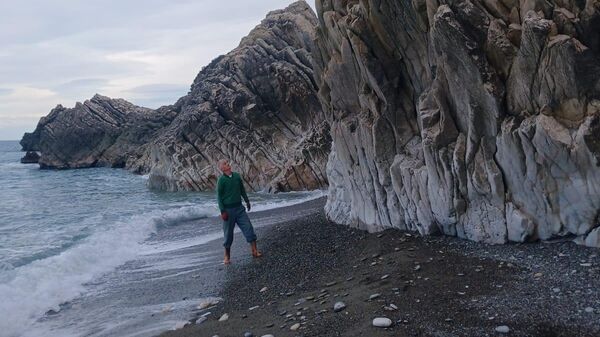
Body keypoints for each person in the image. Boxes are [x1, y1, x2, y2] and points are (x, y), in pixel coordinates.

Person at [216, 159, 262, 264]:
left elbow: (242, 190)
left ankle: (254, 251)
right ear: (222, 168)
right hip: (228, 210)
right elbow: (219, 197)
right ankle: (227, 256)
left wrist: (247, 201)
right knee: (228, 234)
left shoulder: (236, 176)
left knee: (249, 228)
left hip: (239, 208)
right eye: (225, 164)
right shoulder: (221, 180)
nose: (228, 164)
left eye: (228, 163)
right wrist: (223, 211)